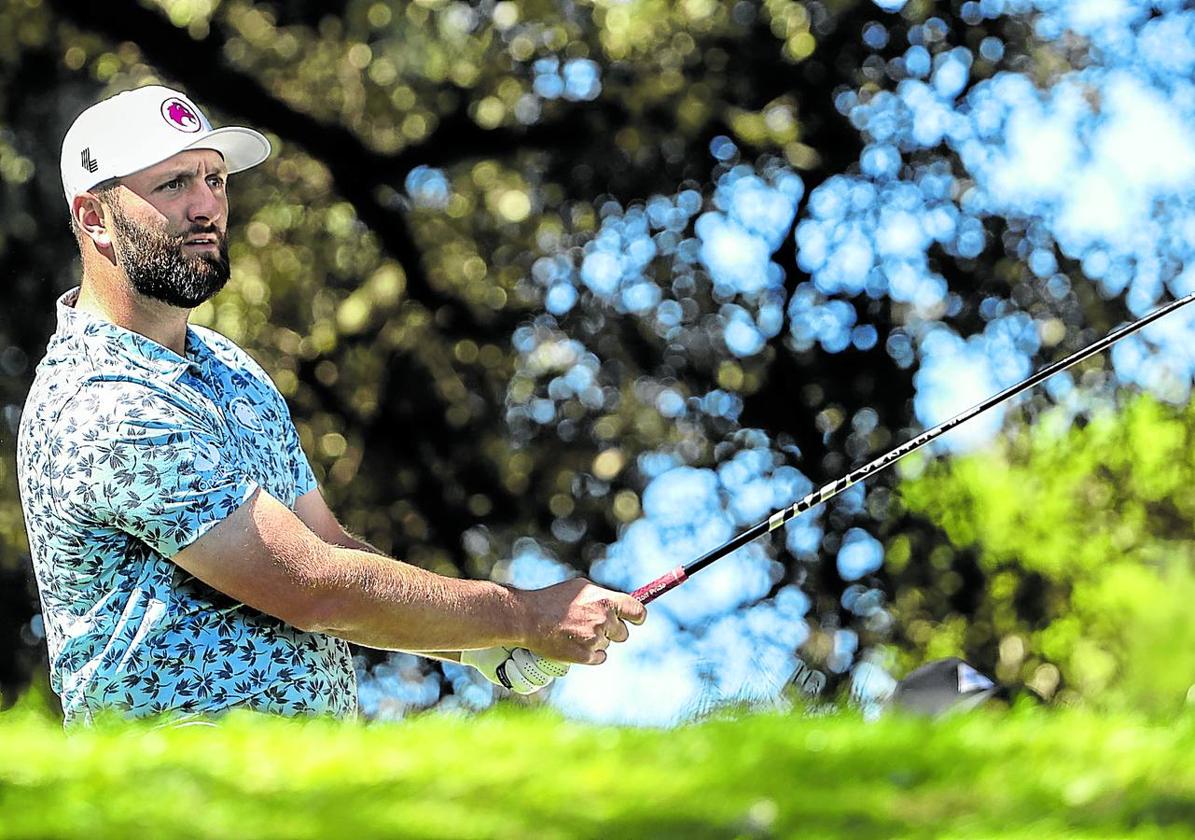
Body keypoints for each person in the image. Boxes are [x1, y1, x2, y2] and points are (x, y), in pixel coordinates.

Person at [16, 85, 645, 726]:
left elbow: (331, 545)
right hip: (177, 801)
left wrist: (480, 641)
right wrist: (523, 614)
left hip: (299, 787)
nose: (207, 207)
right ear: (96, 217)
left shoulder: (226, 367)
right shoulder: (100, 402)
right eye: (174, 184)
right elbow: (311, 586)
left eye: (216, 178)